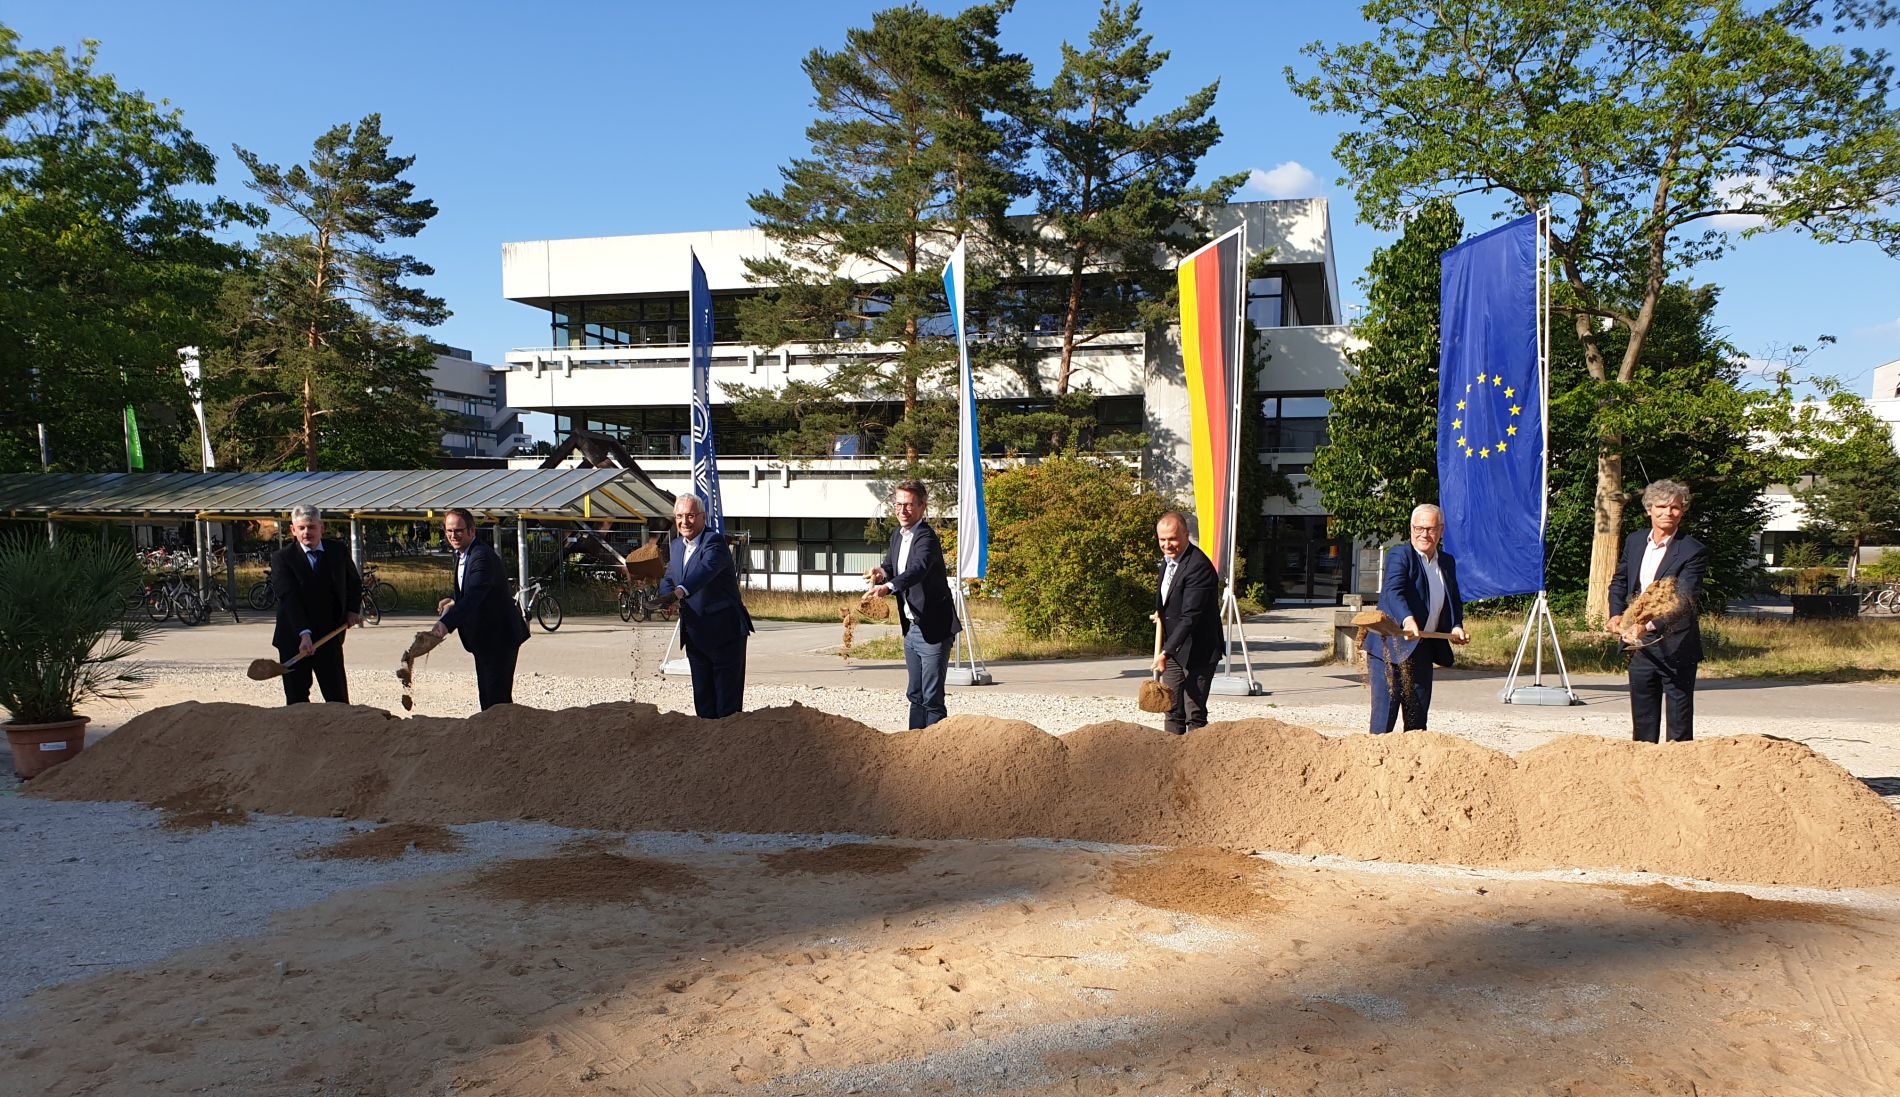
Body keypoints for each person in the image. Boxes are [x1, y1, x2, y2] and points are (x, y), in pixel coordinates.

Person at [1607, 479, 1709, 743]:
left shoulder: (1693, 550)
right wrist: (1616, 615)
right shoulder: (1635, 541)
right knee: (1643, 722)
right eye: (1661, 506)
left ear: (1682, 511)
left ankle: (1678, 774)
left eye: (1674, 507)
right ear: (1649, 509)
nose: (1668, 513)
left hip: (1676, 645)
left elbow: (1684, 600)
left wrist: (1646, 626)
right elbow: (1620, 582)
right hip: (1638, 648)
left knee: (1679, 726)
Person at [1367, 503, 1468, 734]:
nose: (1424, 534)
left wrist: (1456, 625)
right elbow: (1393, 591)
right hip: (1389, 649)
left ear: (1441, 530)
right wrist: (1408, 619)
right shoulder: (1400, 555)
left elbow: (1453, 598)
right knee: (1384, 723)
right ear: (1411, 528)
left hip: (1422, 649)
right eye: (1419, 528)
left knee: (1417, 722)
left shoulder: (1447, 561)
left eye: (1430, 529)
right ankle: (1377, 766)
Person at [868, 480, 961, 729]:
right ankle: (913, 747)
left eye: (908, 505)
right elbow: (892, 567)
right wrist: (881, 572)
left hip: (934, 629)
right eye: (898, 504)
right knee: (915, 694)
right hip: (911, 627)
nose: (902, 510)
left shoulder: (926, 538)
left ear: (922, 507)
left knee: (931, 698)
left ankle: (934, 750)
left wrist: (888, 587)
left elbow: (917, 570)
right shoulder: (897, 535)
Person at [656, 494, 753, 718]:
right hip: (695, 633)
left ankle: (728, 749)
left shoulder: (715, 542)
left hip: (725, 633)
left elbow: (705, 572)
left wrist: (679, 592)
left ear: (702, 517)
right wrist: (665, 599)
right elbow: (669, 577)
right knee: (704, 701)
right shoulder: (676, 546)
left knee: (726, 705)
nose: (684, 522)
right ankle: (707, 749)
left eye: (690, 516)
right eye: (679, 516)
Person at [431, 508, 530, 711]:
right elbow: (472, 590)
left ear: (472, 531)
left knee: (496, 701)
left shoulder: (482, 557)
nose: (453, 535)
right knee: (487, 696)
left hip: (499, 638)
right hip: (482, 639)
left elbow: (475, 595)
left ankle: (503, 739)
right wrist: (453, 601)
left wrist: (445, 624)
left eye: (458, 530)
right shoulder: (461, 555)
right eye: (449, 530)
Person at [268, 504, 362, 705]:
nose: (306, 532)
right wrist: (304, 633)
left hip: (329, 636)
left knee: (337, 699)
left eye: (311, 527)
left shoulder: (337, 551)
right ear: (293, 530)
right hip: (294, 639)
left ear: (322, 527)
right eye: (301, 528)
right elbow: (288, 597)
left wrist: (353, 610)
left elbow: (354, 582)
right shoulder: (282, 559)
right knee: (297, 700)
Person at [1151, 511, 1223, 735]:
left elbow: (1190, 616)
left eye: (1172, 538)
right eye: (1162, 539)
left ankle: (1195, 763)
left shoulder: (1198, 566)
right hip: (1174, 648)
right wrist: (1160, 612)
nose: (1167, 545)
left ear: (1186, 534)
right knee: (1171, 707)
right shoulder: (1168, 561)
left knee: (1194, 712)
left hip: (1199, 649)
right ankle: (1170, 757)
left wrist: (1164, 652)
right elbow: (1170, 596)